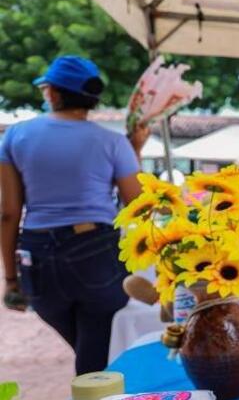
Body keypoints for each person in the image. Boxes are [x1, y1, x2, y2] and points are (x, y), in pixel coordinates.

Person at [0, 55, 148, 375]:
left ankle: (92, 389)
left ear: (52, 92)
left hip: (37, 256)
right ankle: (95, 395)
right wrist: (134, 149)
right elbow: (137, 203)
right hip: (95, 251)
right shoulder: (113, 142)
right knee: (95, 351)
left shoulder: (14, 136)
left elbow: (9, 213)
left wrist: (11, 279)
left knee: (89, 351)